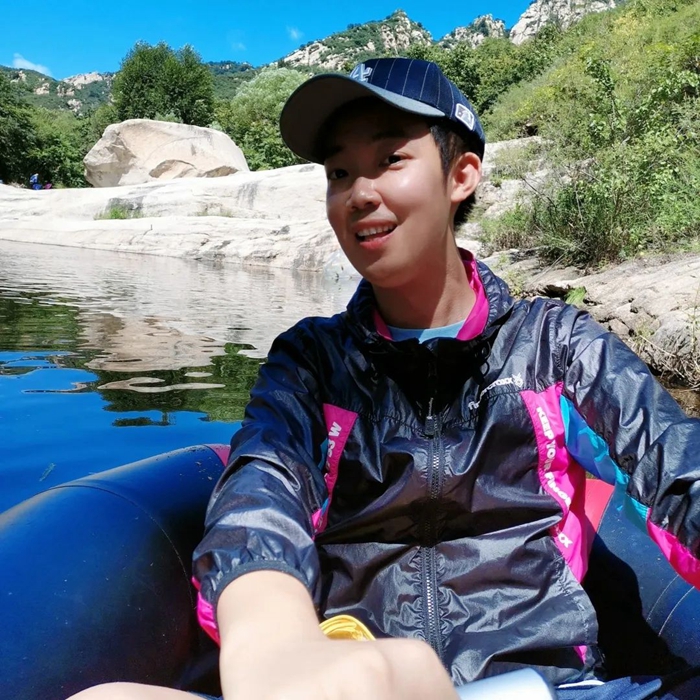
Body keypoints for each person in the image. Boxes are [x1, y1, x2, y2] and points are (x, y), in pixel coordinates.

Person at [68, 58, 700, 700]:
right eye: (339, 173)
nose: (359, 194)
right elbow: (262, 495)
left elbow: (675, 466)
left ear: (461, 175)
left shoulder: (557, 347)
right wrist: (274, 640)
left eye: (389, 160)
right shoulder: (312, 362)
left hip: (542, 688)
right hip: (357, 681)